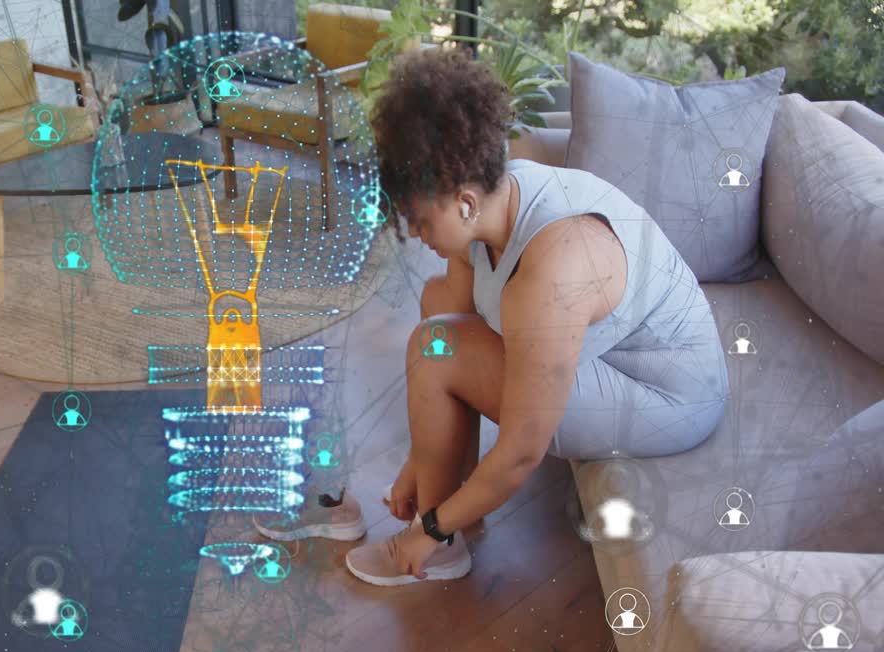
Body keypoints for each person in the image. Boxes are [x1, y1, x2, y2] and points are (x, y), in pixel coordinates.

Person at [254, 47, 729, 585]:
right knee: (437, 318)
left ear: (462, 203)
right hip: (613, 356)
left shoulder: (554, 270)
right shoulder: (492, 200)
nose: (415, 236)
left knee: (437, 349)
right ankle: (445, 514)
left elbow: (522, 453)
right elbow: (445, 325)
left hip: (669, 396)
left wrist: (426, 527)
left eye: (418, 220)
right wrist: (418, 463)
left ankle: (439, 547)